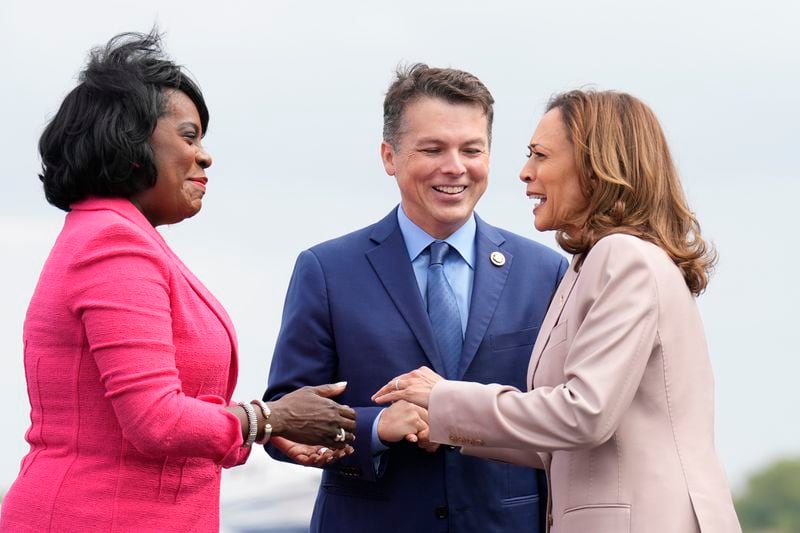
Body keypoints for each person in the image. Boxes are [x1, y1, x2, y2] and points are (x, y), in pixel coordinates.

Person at [0, 30, 356, 533]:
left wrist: (261, 431)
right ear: (129, 141)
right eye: (189, 137)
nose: (205, 157)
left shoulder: (119, 235)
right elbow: (155, 421)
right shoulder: (113, 246)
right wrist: (269, 418)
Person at [374, 89, 742, 532]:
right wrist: (444, 425)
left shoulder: (623, 257)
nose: (525, 172)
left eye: (540, 155)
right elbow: (561, 444)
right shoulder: (586, 266)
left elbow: (584, 414)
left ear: (594, 165)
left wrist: (444, 396)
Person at [263, 64, 568, 532]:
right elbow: (284, 418)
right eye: (432, 149)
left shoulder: (544, 271)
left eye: (472, 150)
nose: (455, 167)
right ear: (390, 156)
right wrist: (377, 428)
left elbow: (563, 412)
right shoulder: (327, 271)